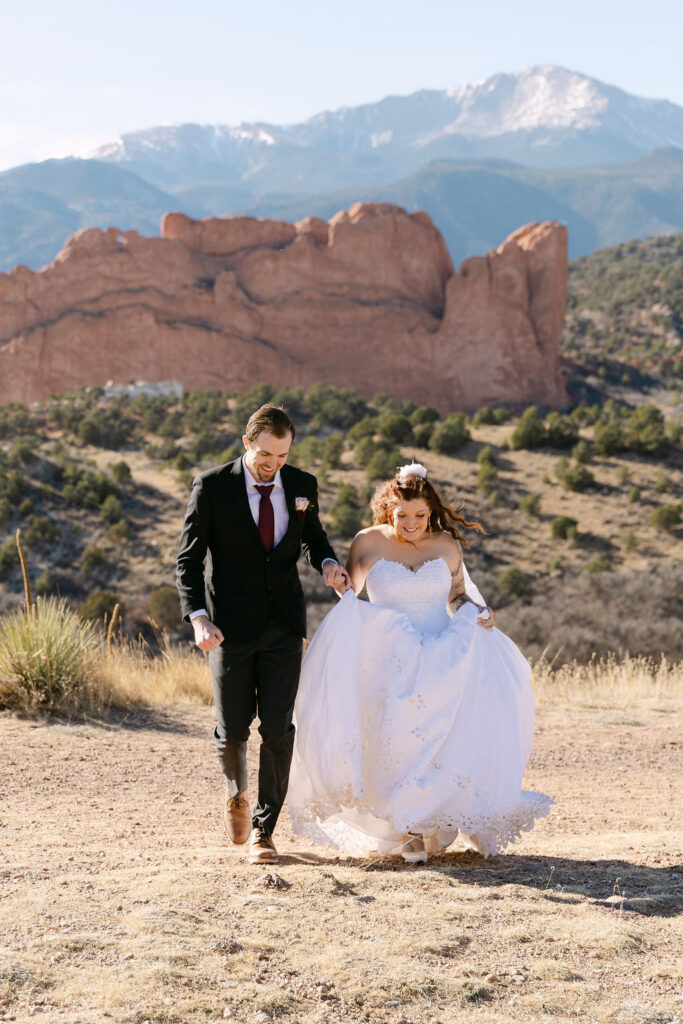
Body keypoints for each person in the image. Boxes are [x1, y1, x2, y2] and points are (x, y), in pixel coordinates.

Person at [288, 462, 552, 862]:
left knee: (437, 740)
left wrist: (478, 610)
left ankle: (426, 820)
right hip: (387, 657)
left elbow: (457, 595)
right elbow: (352, 598)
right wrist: (337, 582)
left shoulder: (446, 545)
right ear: (386, 511)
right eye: (402, 516)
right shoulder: (367, 543)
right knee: (396, 741)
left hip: (440, 651)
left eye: (419, 516)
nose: (411, 524)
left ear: (431, 511)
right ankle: (405, 829)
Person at [176, 404, 350, 865]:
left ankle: (263, 829)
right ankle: (236, 792)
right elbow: (188, 561)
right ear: (246, 442)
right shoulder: (212, 487)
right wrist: (197, 618)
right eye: (267, 455)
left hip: (283, 626)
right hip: (227, 628)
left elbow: (313, 537)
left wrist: (328, 563)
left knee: (278, 728)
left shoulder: (301, 485)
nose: (274, 465)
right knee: (232, 728)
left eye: (283, 455)